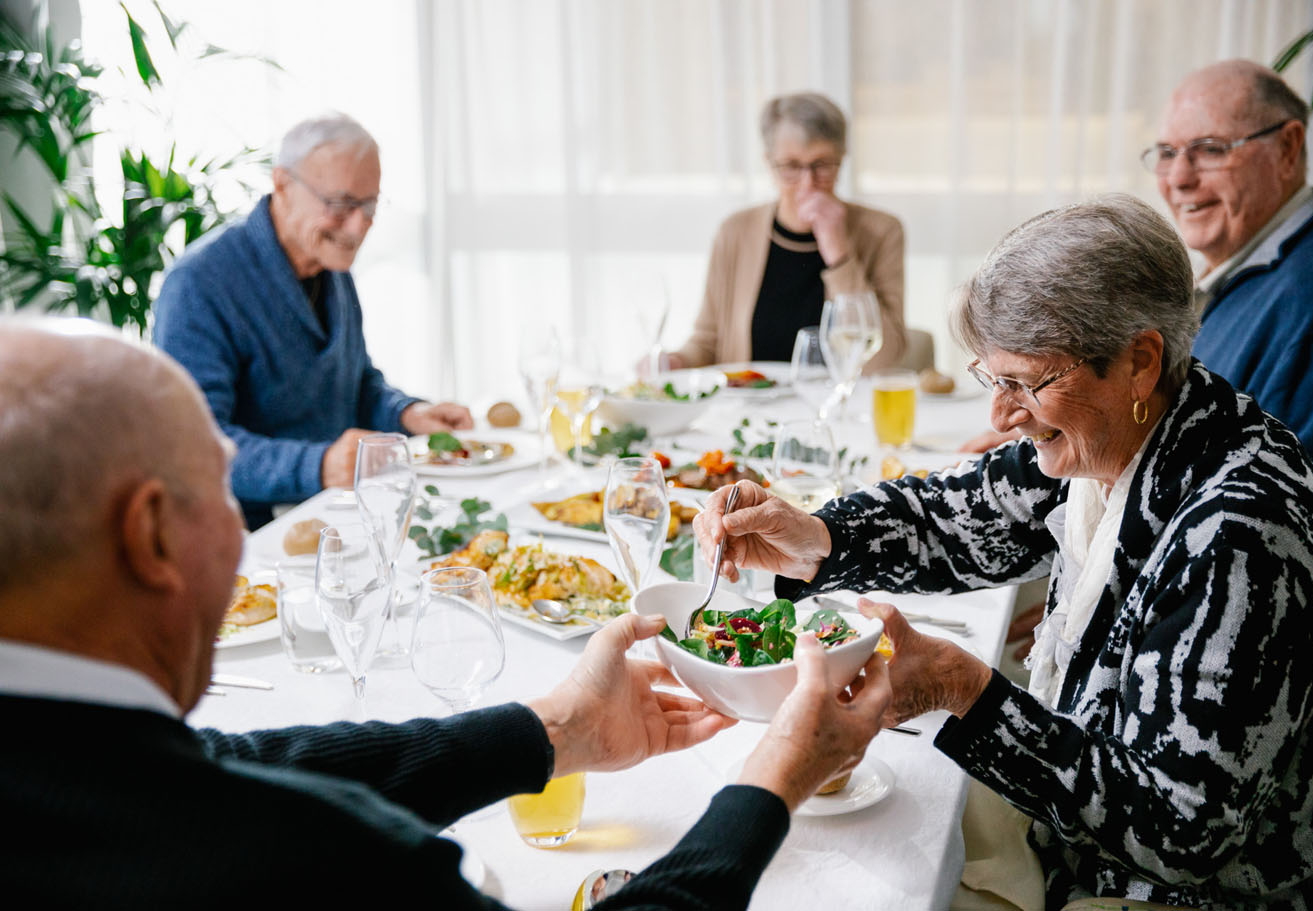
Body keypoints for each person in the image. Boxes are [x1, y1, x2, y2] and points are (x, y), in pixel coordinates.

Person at [0, 317, 891, 908]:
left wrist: (550, 730)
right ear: (150, 532)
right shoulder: (333, 866)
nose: (242, 540)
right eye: (220, 498)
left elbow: (222, 762)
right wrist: (772, 776)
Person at [695, 196, 1313, 909]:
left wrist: (968, 693)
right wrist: (815, 536)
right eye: (994, 378)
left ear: (1139, 359)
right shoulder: (1144, 429)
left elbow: (1178, 831)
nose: (1000, 414)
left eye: (1026, 382)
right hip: (1100, 838)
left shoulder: (1238, 537)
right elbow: (957, 516)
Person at [154, 113, 474, 530]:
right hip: (245, 540)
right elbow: (195, 447)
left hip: (334, 519)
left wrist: (406, 414)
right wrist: (318, 466)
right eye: (341, 205)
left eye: (370, 205)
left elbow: (354, 385)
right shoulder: (198, 283)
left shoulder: (330, 264)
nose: (359, 226)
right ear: (283, 185)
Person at [1149, 59, 1313, 569]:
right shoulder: (1256, 275)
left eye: (1209, 150)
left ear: (1287, 149)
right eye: (1166, 153)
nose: (1179, 178)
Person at [665, 92, 908, 371]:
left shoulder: (882, 232)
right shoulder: (734, 232)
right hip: (747, 408)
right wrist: (676, 361)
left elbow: (883, 357)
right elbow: (707, 342)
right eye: (791, 166)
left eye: (822, 165)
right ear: (769, 163)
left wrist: (839, 253)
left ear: (841, 159)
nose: (808, 183)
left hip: (838, 408)